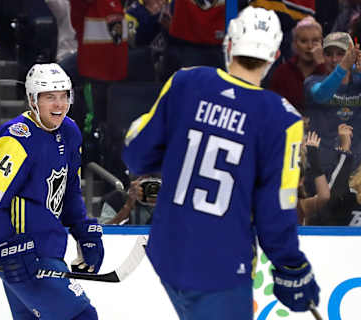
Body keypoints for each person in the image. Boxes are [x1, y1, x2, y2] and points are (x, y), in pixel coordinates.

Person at [122, 7, 320, 319]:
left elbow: (136, 153)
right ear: (275, 56)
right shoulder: (282, 118)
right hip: (221, 268)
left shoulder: (186, 82)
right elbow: (275, 210)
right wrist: (291, 267)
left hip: (167, 252)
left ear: (228, 45)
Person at [0, 63, 103, 320]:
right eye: (49, 97)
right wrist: (8, 245)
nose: (59, 104)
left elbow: (69, 189)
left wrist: (82, 229)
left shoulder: (70, 131)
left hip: (48, 248)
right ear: (33, 100)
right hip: (23, 252)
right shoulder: (16, 139)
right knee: (82, 316)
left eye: (64, 95)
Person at [304, 32, 361, 180]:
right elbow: (321, 95)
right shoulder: (312, 82)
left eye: (341, 54)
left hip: (354, 173)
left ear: (353, 55)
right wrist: (343, 67)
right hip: (320, 172)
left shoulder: (359, 84)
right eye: (328, 54)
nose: (334, 59)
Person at [268, 16, 326, 115]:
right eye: (304, 41)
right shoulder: (282, 72)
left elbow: (332, 106)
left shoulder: (331, 71)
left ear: (322, 43)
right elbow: (272, 107)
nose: (310, 46)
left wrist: (322, 66)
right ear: (294, 44)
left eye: (315, 41)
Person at [297, 131, 330, 225]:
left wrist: (313, 157)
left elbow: (324, 196)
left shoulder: (302, 205)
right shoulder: (266, 200)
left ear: (300, 181)